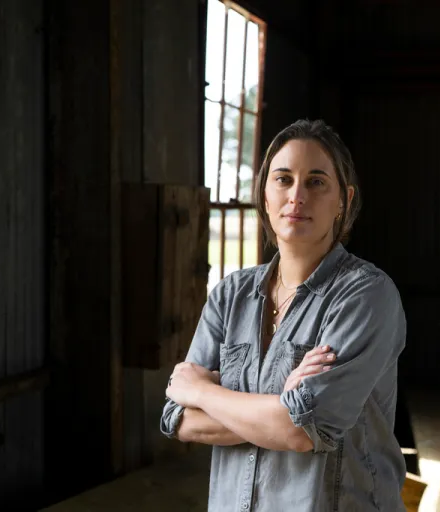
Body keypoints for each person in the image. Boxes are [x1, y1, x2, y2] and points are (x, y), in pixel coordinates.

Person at [161, 119, 407, 511]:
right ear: (264, 194)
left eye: (315, 181)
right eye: (283, 179)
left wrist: (203, 391)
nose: (297, 196)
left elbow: (301, 430)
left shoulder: (366, 295)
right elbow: (181, 420)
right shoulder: (230, 295)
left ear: (343, 198)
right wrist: (279, 404)